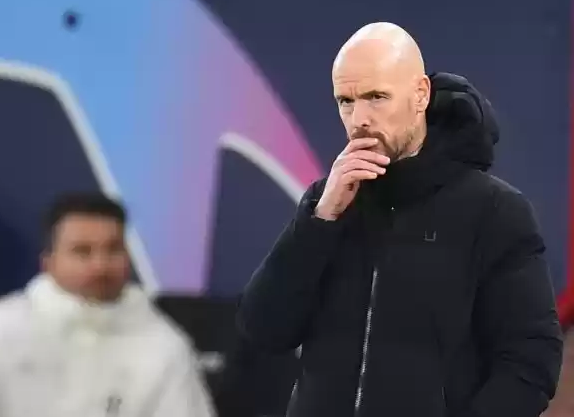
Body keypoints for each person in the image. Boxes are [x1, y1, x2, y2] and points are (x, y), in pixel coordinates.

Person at [225, 23, 563, 417]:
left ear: (421, 95)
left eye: (376, 97)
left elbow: (531, 361)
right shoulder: (328, 203)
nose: (359, 119)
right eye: (346, 101)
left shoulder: (494, 210)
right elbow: (263, 329)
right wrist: (320, 220)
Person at [0, 193, 215, 417]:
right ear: (48, 262)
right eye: (82, 252)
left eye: (113, 250)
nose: (100, 266)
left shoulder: (163, 345)